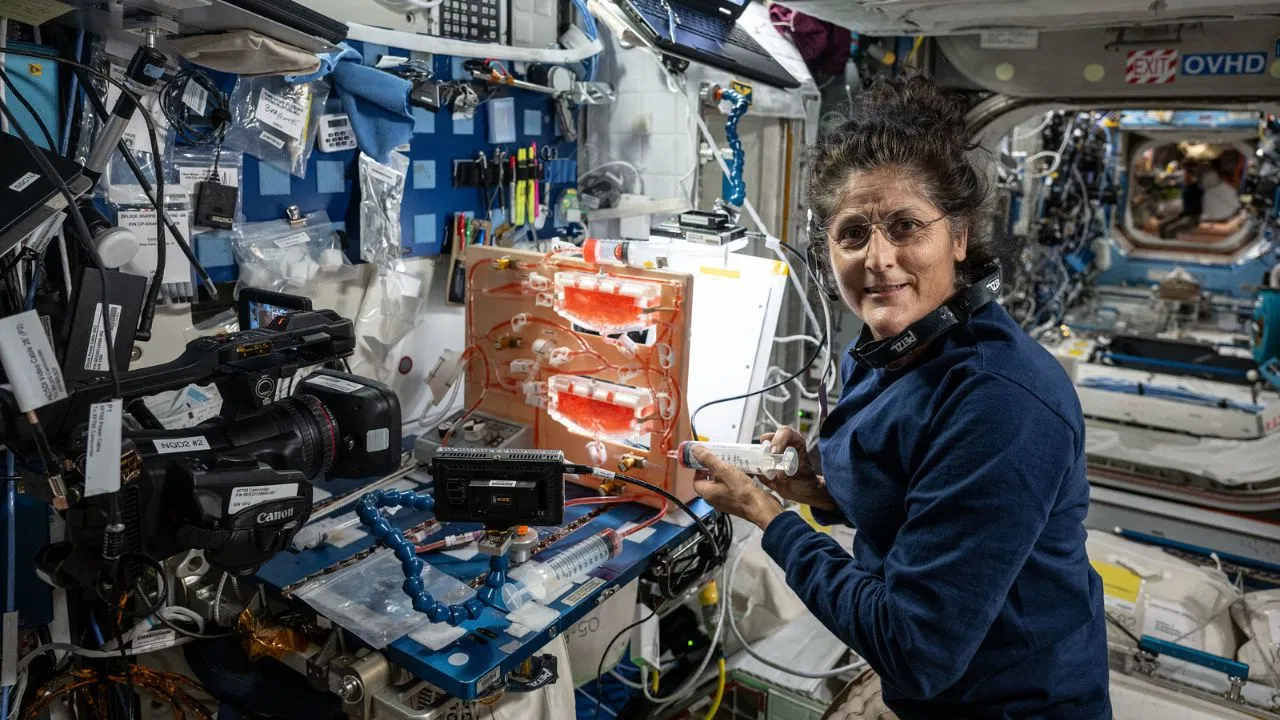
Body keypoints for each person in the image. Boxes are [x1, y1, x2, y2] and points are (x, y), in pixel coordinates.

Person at [691, 75, 1111, 719]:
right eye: (852, 233)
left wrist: (770, 518)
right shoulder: (891, 349)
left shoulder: (1000, 402)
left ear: (959, 238)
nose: (878, 258)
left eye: (906, 225)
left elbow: (916, 649)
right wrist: (816, 490)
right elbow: (918, 494)